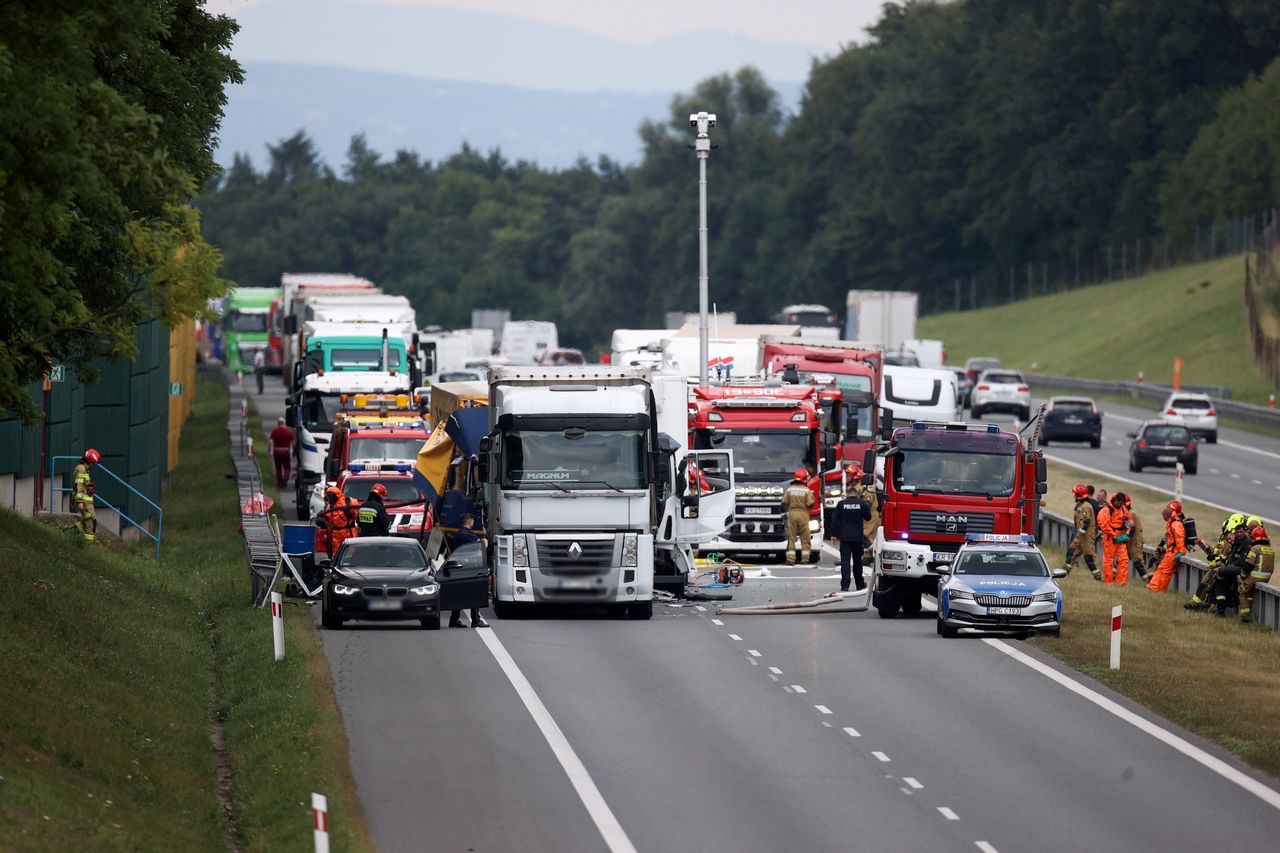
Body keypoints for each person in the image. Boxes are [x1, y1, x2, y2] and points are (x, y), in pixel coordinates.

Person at [830, 466, 873, 591]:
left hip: (845, 538)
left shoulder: (841, 504)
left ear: (847, 494)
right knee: (857, 562)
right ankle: (859, 584)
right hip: (857, 538)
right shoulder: (861, 504)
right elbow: (869, 517)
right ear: (856, 494)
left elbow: (834, 521)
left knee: (845, 562)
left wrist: (834, 534)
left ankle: (845, 585)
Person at [446, 513, 490, 628]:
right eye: (472, 521)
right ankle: (475, 620)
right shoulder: (465, 534)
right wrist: (484, 541)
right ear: (470, 521)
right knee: (476, 593)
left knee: (459, 595)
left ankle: (454, 619)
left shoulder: (459, 533)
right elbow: (482, 546)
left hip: (459, 568)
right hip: (469, 568)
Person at [1147, 500, 1186, 592]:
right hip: (1171, 550)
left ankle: (1158, 589)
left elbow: (1180, 538)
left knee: (1165, 571)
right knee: (1161, 569)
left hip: (1174, 551)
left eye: (1168, 508)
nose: (1165, 510)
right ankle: (1153, 587)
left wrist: (1180, 552)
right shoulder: (1172, 522)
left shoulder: (1176, 524)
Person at [1064, 483, 1100, 580]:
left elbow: (1085, 522)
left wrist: (1077, 537)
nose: (1074, 496)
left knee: (1089, 557)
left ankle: (1098, 577)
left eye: (1076, 494)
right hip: (1080, 535)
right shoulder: (1079, 505)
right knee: (1071, 553)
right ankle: (1064, 573)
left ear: (1080, 495)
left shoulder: (1086, 506)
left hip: (1086, 536)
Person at [1239, 525, 1274, 623]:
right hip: (1266, 577)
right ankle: (1250, 612)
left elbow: (1248, 565)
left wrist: (1243, 575)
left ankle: (1245, 617)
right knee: (1249, 594)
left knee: (1242, 592)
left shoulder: (1255, 548)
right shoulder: (1270, 549)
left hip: (1255, 576)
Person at [1096, 492, 1131, 585]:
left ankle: (1121, 582)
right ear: (1115, 500)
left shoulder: (1123, 509)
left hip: (1121, 537)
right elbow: (1104, 525)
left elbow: (1130, 522)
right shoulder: (1106, 510)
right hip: (1109, 538)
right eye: (1119, 503)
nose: (1121, 505)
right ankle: (1109, 582)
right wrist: (1115, 536)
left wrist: (1127, 534)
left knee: (1124, 560)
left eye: (1122, 503)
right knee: (1109, 560)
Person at [782, 468, 815, 565]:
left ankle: (791, 559)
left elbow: (784, 502)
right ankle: (805, 559)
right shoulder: (807, 490)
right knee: (805, 537)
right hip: (803, 513)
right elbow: (810, 504)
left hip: (792, 513)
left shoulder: (790, 489)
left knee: (791, 537)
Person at [315, 486, 356, 558]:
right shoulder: (330, 507)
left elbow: (356, 514)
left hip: (349, 532)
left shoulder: (349, 501)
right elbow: (330, 520)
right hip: (336, 534)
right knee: (337, 555)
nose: (329, 499)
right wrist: (324, 516)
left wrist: (349, 512)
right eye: (328, 497)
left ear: (335, 495)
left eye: (330, 497)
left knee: (350, 554)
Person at [72, 448, 100, 543]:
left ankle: (69, 533)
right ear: (89, 461)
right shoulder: (81, 469)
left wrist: (89, 487)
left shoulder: (85, 469)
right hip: (84, 501)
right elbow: (78, 485)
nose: (93, 465)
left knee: (87, 522)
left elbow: (83, 484)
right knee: (90, 523)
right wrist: (79, 501)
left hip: (87, 501)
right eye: (93, 463)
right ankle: (88, 545)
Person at [1123, 495, 1147, 583]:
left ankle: (1149, 582)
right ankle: (1113, 577)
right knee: (1121, 559)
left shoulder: (1129, 514)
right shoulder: (1128, 512)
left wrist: (1126, 537)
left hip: (1134, 541)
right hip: (1130, 541)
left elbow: (1131, 528)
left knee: (1138, 562)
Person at [268, 417, 295, 488]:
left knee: (278, 468)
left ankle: (280, 483)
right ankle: (285, 477)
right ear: (284, 423)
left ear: (278, 423)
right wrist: (293, 452)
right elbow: (292, 443)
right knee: (287, 467)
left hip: (277, 451)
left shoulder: (274, 431)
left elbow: (271, 442)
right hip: (285, 451)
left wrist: (270, 452)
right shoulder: (288, 432)